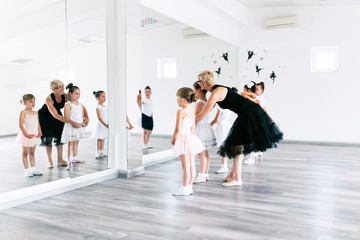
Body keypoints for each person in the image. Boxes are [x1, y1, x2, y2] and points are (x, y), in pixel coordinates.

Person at [195, 70, 283, 187]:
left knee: (237, 146)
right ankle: (233, 174)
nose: (199, 84)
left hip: (249, 113)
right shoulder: (219, 89)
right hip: (248, 112)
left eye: (200, 82)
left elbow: (201, 115)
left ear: (205, 83)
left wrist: (186, 124)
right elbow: (208, 111)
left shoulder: (215, 94)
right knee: (236, 145)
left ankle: (237, 178)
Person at [171, 87, 204, 196]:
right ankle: (189, 187)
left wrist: (174, 139)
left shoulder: (180, 111)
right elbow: (192, 128)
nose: (176, 100)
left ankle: (184, 188)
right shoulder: (191, 110)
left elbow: (177, 129)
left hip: (182, 139)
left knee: (185, 166)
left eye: (178, 98)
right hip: (190, 138)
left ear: (183, 100)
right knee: (191, 165)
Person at [38, 80, 70, 168]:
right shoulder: (49, 99)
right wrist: (69, 121)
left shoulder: (65, 96)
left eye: (63, 86)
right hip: (45, 117)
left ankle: (60, 160)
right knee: (48, 139)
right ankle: (50, 161)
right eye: (59, 87)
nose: (62, 89)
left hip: (57, 115)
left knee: (59, 137)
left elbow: (73, 102)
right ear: (53, 90)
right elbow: (55, 115)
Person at [192, 81, 216, 183]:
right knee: (205, 153)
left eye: (193, 89)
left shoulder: (199, 103)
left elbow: (196, 118)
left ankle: (202, 175)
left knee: (201, 153)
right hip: (206, 127)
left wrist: (190, 128)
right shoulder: (207, 102)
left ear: (198, 90)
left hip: (200, 128)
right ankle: (205, 174)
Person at [61, 83, 89, 169]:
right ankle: (69, 160)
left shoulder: (80, 104)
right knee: (71, 142)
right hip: (71, 126)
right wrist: (74, 123)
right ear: (70, 94)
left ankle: (75, 157)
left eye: (79, 93)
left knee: (76, 141)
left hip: (78, 126)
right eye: (76, 93)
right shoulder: (68, 105)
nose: (78, 95)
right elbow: (66, 118)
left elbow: (82, 115)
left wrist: (84, 121)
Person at [210, 87, 238, 174]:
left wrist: (209, 125)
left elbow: (216, 119)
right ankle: (225, 166)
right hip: (226, 125)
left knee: (223, 146)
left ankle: (224, 166)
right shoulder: (231, 104)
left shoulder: (221, 104)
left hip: (222, 126)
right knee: (225, 145)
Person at [16, 94, 43, 177]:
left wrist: (40, 132)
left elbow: (38, 123)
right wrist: (26, 134)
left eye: (34, 101)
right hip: (26, 135)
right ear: (24, 103)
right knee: (25, 153)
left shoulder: (36, 112)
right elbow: (20, 125)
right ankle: (26, 170)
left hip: (34, 135)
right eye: (30, 101)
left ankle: (33, 168)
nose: (33, 103)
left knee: (32, 152)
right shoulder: (23, 112)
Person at [92, 90, 108, 159]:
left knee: (103, 138)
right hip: (101, 125)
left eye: (105, 97)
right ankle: (98, 152)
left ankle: (101, 151)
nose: (104, 98)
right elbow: (99, 118)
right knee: (99, 139)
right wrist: (105, 124)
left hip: (105, 124)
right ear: (98, 98)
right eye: (103, 97)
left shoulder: (105, 107)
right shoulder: (98, 107)